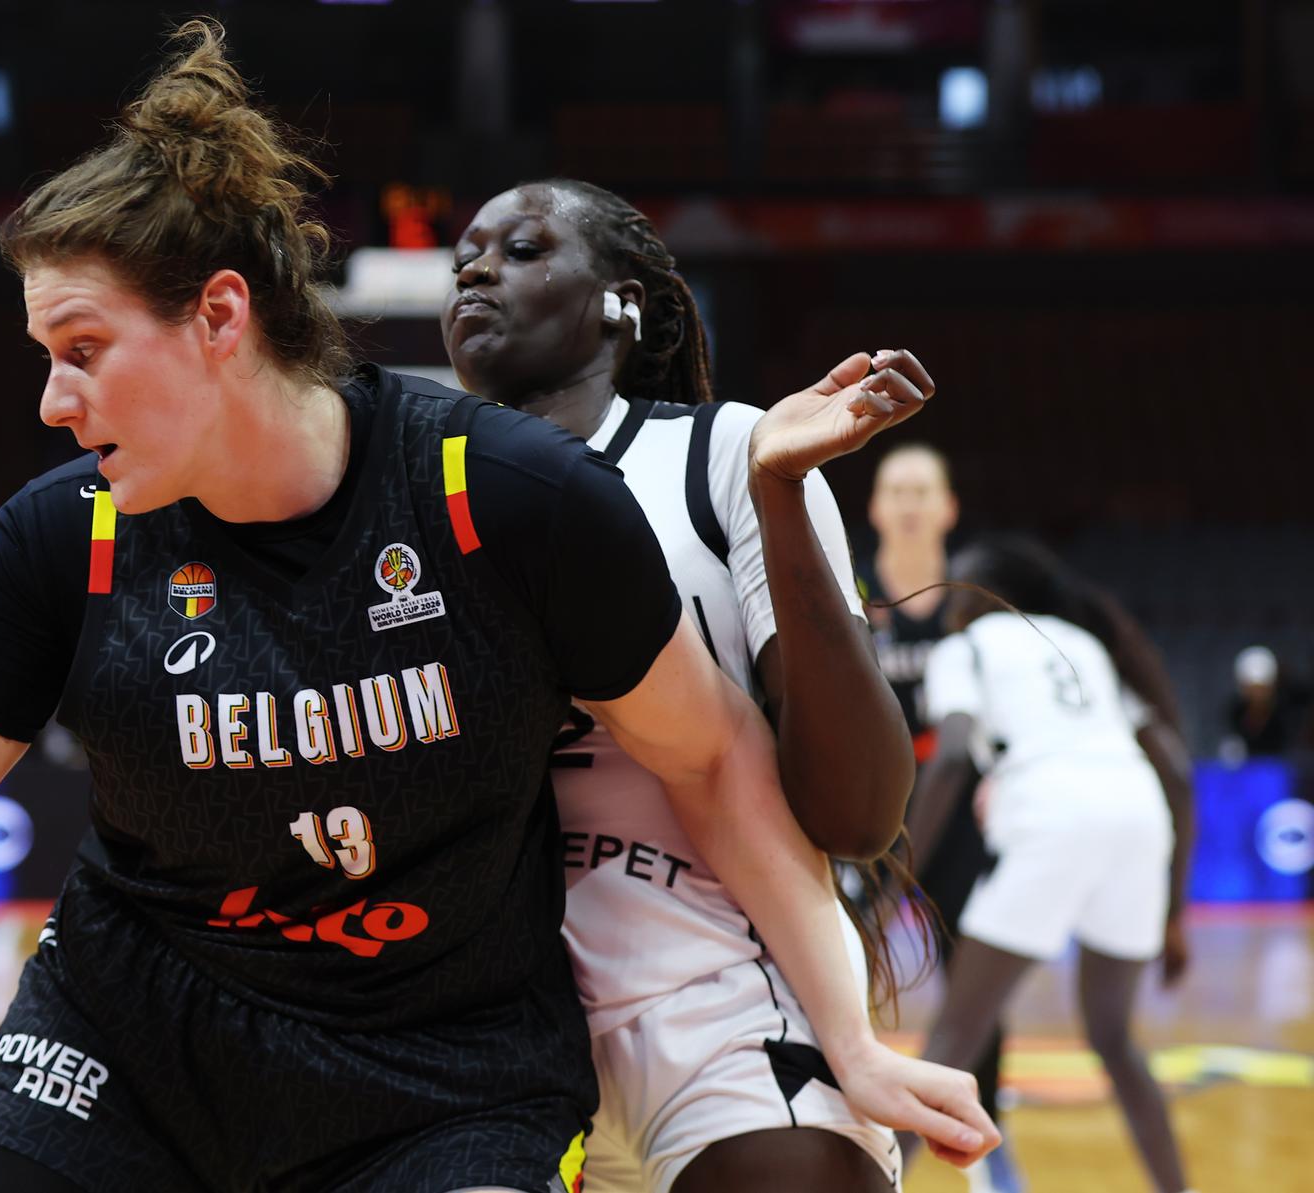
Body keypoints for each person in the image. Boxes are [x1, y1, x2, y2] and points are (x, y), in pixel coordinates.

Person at [0, 23, 992, 1193]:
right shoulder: (64, 543)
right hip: (136, 1040)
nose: (50, 399)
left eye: (82, 348)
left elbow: (721, 759)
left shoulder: (498, 496)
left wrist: (851, 1041)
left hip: (442, 1067)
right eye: (45, 355)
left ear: (222, 317)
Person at [441, 179, 940, 1193]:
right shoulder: (413, 485)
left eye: (524, 248)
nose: (477, 270)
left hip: (715, 998)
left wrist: (781, 495)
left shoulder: (724, 453)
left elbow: (858, 810)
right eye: (465, 258)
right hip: (482, 1023)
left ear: (623, 301)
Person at [901, 537, 1196, 1193]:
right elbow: (1176, 774)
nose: (947, 598)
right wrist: (1174, 913)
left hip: (1054, 814)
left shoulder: (965, 648)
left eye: (957, 585)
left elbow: (949, 758)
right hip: (1139, 815)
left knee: (953, 1039)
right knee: (1115, 1038)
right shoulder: (1081, 643)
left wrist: (898, 864)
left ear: (980, 596)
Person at [854, 443, 1016, 1190]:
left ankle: (984, 1136)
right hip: (864, 813)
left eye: (924, 489)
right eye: (898, 488)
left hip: (958, 815)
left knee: (974, 978)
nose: (912, 502)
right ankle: (835, 1104)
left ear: (948, 506)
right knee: (838, 959)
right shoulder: (849, 591)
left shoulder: (973, 600)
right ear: (876, 507)